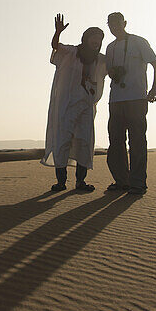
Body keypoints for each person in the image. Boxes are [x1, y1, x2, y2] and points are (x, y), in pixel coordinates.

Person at [42, 14, 107, 192]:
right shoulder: (71, 52)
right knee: (62, 141)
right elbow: (56, 46)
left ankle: (80, 181)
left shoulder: (100, 59)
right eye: (94, 39)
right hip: (67, 106)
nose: (97, 43)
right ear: (86, 39)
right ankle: (61, 182)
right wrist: (57, 32)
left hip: (86, 106)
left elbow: (113, 69)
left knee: (84, 142)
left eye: (99, 41)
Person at [104, 12, 156, 195]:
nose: (115, 27)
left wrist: (154, 88)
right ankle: (122, 181)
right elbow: (109, 72)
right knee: (116, 142)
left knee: (137, 141)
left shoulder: (138, 41)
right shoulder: (110, 47)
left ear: (125, 23)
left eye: (117, 23)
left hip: (136, 98)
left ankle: (138, 183)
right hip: (116, 99)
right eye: (111, 24)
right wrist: (113, 72)